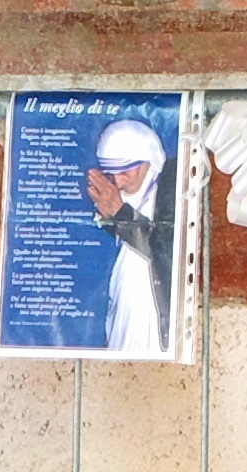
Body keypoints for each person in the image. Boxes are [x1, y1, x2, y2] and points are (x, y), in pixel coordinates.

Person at [85, 119, 173, 355]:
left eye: (125, 171)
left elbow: (166, 249)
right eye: (112, 173)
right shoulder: (129, 191)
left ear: (148, 161)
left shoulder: (171, 186)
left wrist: (120, 213)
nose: (119, 182)